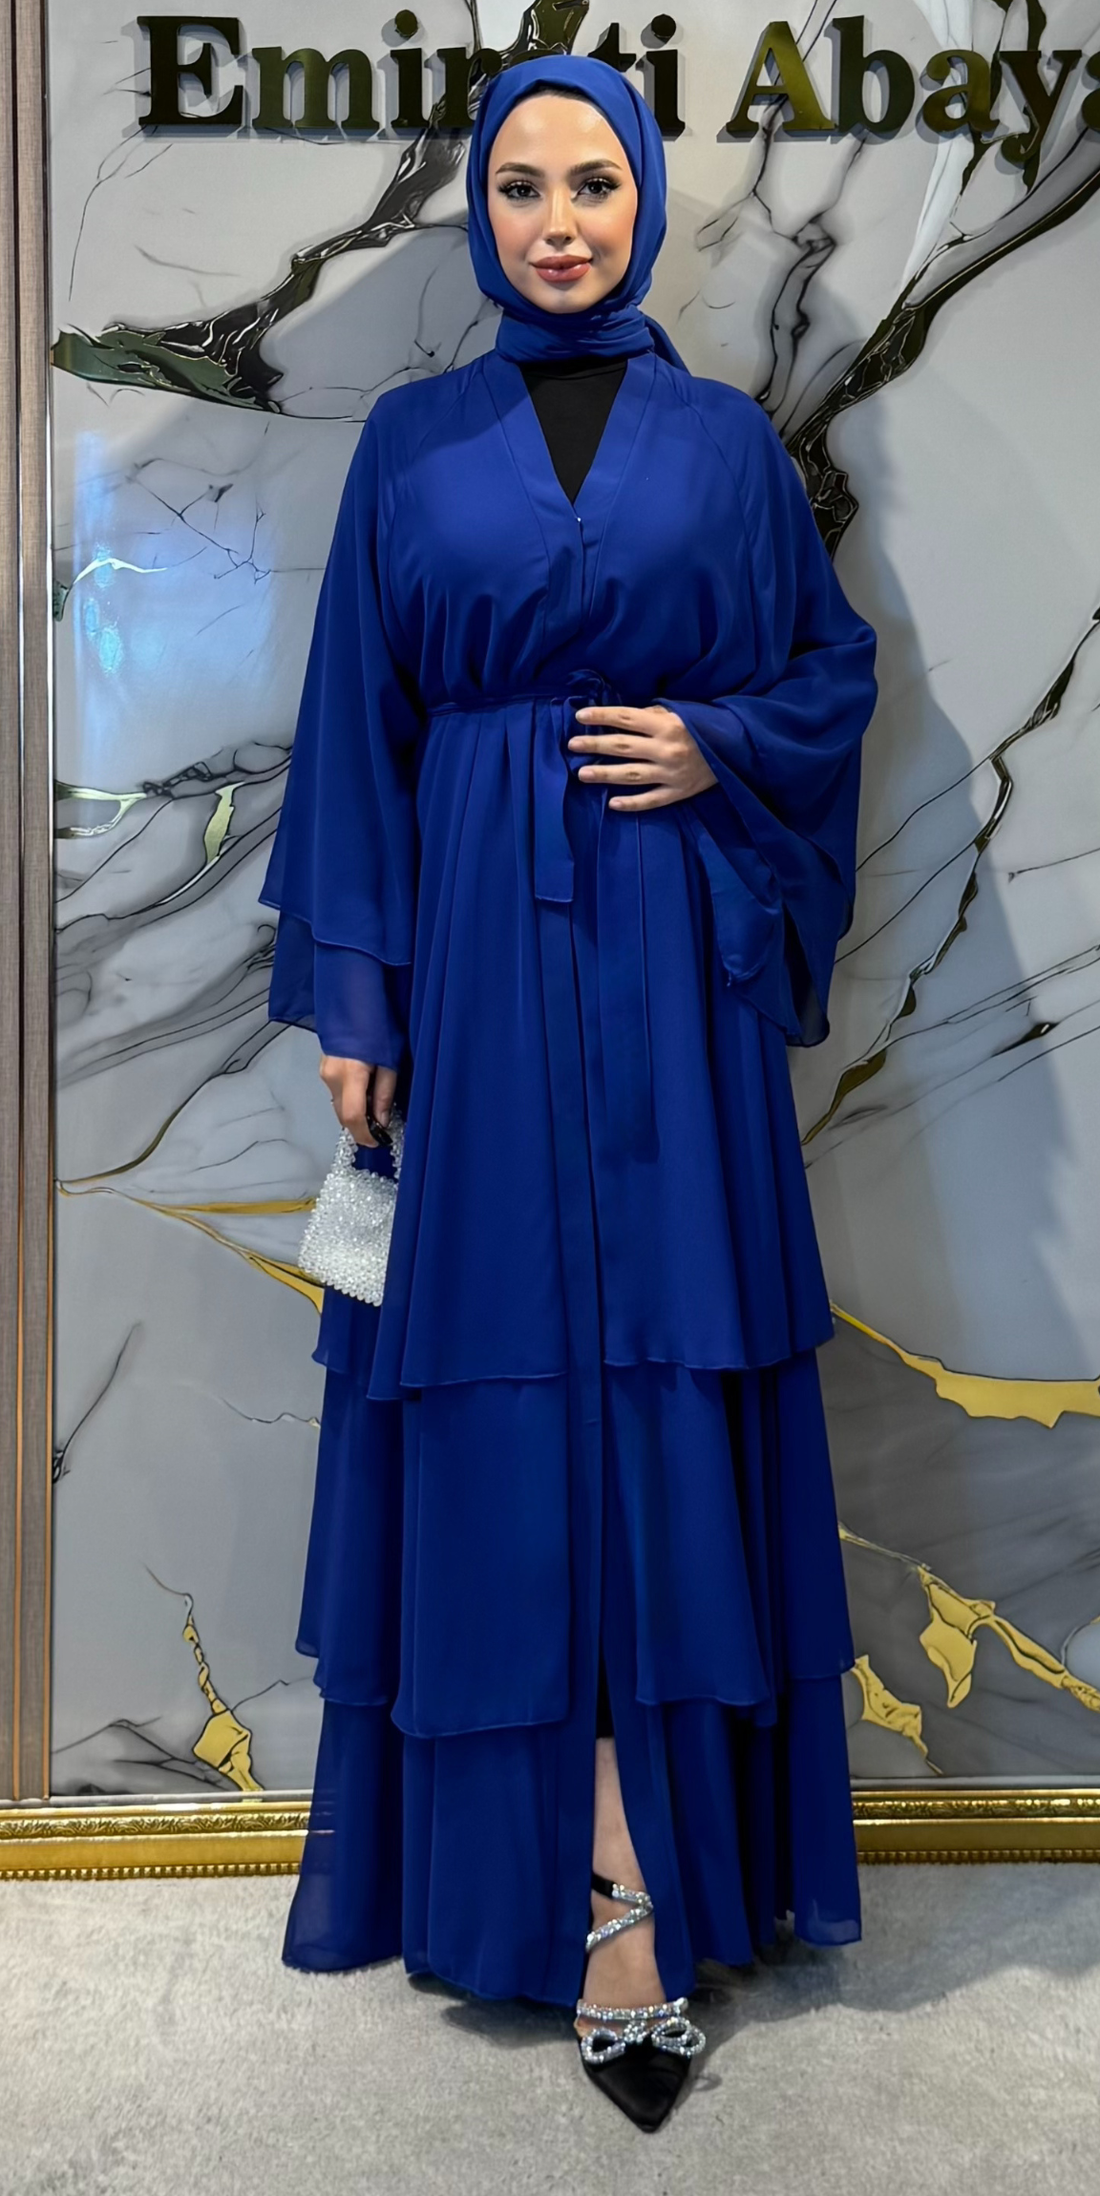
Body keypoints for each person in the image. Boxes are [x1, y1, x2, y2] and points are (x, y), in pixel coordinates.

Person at [259, 52, 878, 2134]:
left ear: (644, 201)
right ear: (479, 210)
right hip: (476, 974)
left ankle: (656, 1869)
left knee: (668, 1376)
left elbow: (824, 675)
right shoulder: (411, 442)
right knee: (508, 1390)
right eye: (520, 185)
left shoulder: (728, 444)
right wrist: (359, 991)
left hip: (674, 963)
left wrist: (718, 745)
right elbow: (355, 722)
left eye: (592, 183)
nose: (556, 221)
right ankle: (575, 1874)